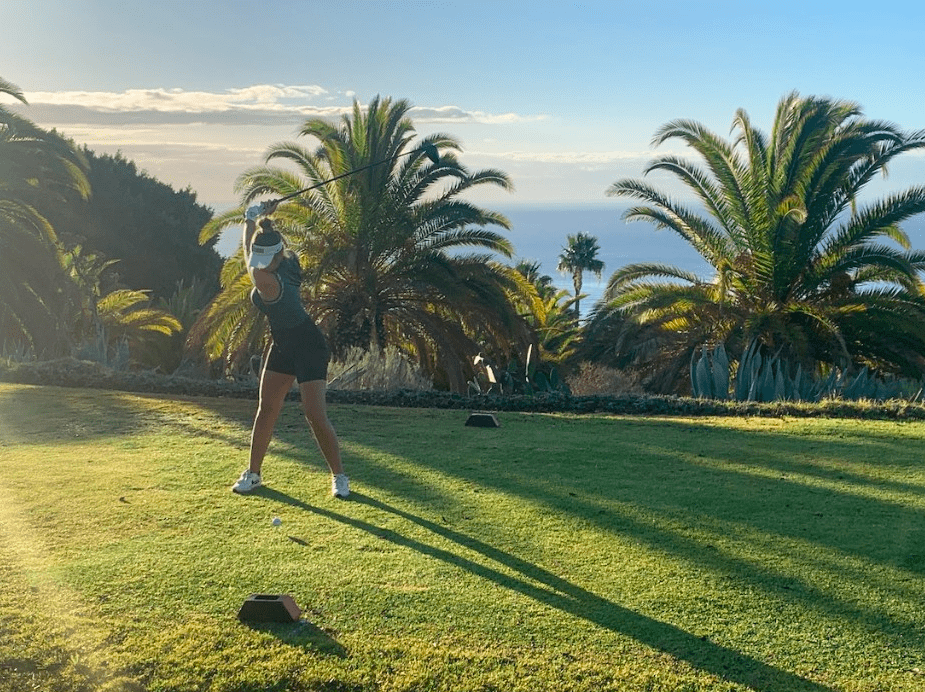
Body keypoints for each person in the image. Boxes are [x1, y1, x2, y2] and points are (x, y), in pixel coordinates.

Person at [231, 201, 349, 498]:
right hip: (282, 342)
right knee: (266, 409)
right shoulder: (288, 259)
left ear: (275, 258)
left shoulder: (268, 280)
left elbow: (248, 259)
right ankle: (253, 473)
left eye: (263, 259)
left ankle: (339, 477)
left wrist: (249, 219)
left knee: (314, 414)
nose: (259, 263)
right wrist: (261, 221)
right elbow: (258, 248)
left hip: (308, 345)